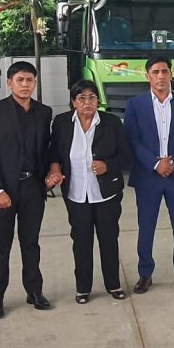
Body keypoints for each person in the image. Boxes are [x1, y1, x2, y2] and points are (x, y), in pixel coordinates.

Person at [0, 61, 54, 319]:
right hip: (4, 189)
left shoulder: (44, 112)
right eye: (20, 80)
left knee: (31, 242)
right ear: (9, 82)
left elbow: (46, 149)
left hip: (33, 187)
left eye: (29, 80)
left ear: (35, 83)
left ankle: (34, 291)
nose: (25, 85)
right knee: (1, 244)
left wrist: (51, 172)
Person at [47, 80, 132, 303]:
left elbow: (126, 156)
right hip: (76, 194)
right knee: (81, 241)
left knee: (108, 239)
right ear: (73, 102)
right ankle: (83, 288)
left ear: (98, 101)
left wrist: (108, 165)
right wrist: (55, 169)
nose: (87, 102)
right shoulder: (62, 123)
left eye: (92, 97)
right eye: (81, 98)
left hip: (106, 194)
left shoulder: (111, 123)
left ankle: (113, 284)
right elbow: (54, 153)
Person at [124, 56, 174, 294]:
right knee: (146, 227)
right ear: (147, 76)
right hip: (148, 176)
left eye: (164, 71)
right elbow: (133, 140)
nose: (160, 76)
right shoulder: (135, 105)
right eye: (155, 72)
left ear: (171, 74)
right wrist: (156, 164)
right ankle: (145, 274)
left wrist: (172, 162)